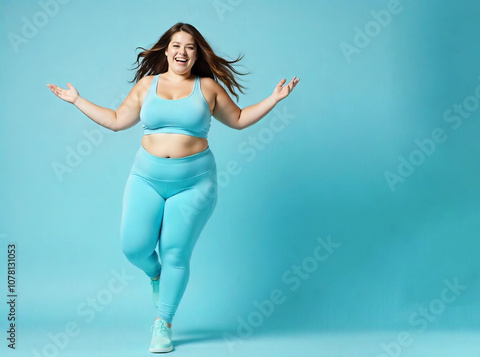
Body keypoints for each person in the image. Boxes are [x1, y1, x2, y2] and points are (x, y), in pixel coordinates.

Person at [47, 22, 299, 353]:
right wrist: (77, 100)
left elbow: (237, 119)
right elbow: (116, 120)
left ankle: (162, 324)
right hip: (146, 177)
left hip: (194, 183)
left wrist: (274, 99)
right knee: (134, 247)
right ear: (166, 50)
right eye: (176, 45)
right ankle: (155, 275)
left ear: (196, 55)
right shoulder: (146, 85)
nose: (182, 52)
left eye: (190, 47)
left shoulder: (208, 86)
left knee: (176, 252)